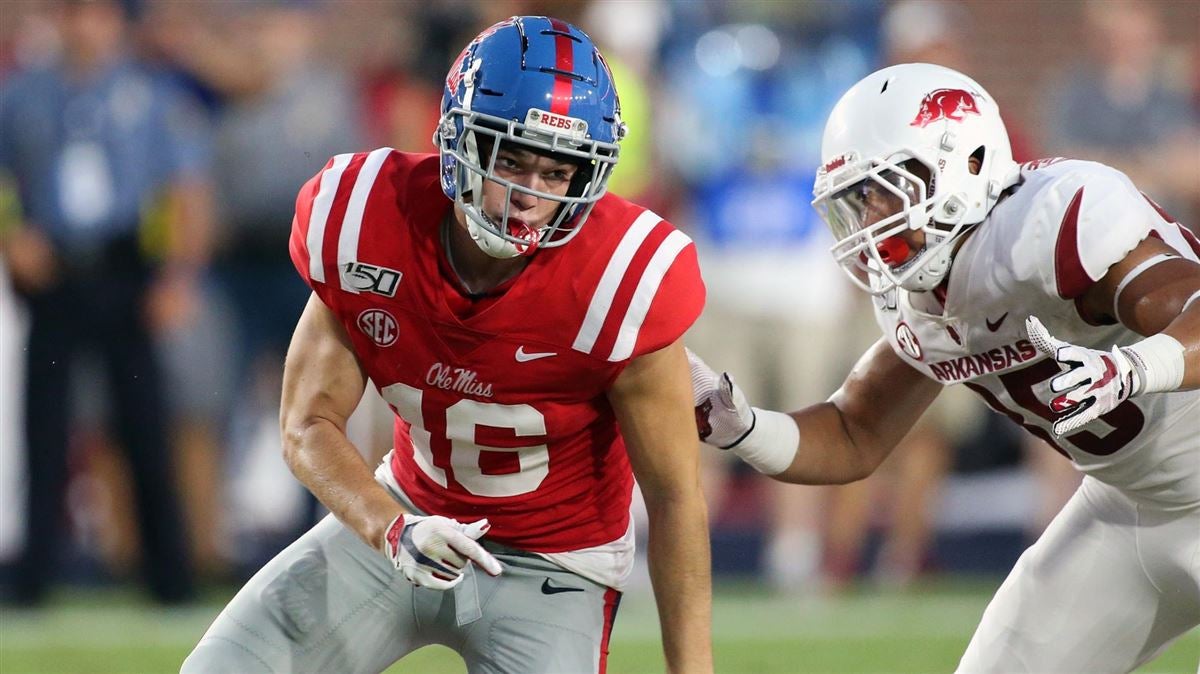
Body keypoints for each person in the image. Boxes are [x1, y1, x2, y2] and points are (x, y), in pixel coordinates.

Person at [183, 16, 713, 674]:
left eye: (556, 172)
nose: (528, 196)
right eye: (510, 159)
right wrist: (390, 525)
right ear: (458, 141)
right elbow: (306, 423)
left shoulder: (625, 277)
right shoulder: (366, 219)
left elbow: (673, 498)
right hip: (408, 515)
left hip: (556, 567)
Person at [690, 62, 1200, 673]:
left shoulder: (1055, 217)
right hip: (1131, 506)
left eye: (883, 192)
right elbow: (855, 434)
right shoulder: (919, 297)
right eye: (857, 203)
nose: (871, 222)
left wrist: (1134, 369)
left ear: (967, 162)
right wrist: (745, 428)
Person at [0, 0, 211, 605]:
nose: (84, 26)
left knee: (145, 424)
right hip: (54, 272)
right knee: (44, 429)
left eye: (95, 13)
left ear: (115, 21)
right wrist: (13, 235)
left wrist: (180, 275)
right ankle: (33, 580)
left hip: (126, 273)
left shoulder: (151, 94)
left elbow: (188, 186)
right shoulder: (23, 95)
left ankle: (169, 579)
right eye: (72, 13)